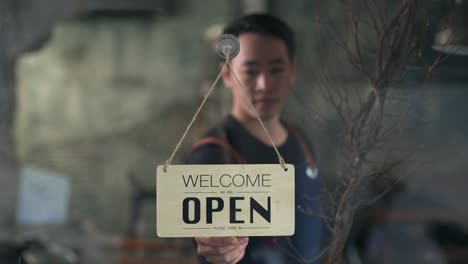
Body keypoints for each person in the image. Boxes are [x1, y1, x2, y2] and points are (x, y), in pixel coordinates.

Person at [187, 13, 322, 264]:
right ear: (227, 75)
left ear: (292, 71)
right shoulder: (213, 154)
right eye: (250, 71)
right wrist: (213, 244)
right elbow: (202, 236)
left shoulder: (301, 140)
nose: (264, 84)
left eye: (276, 69)